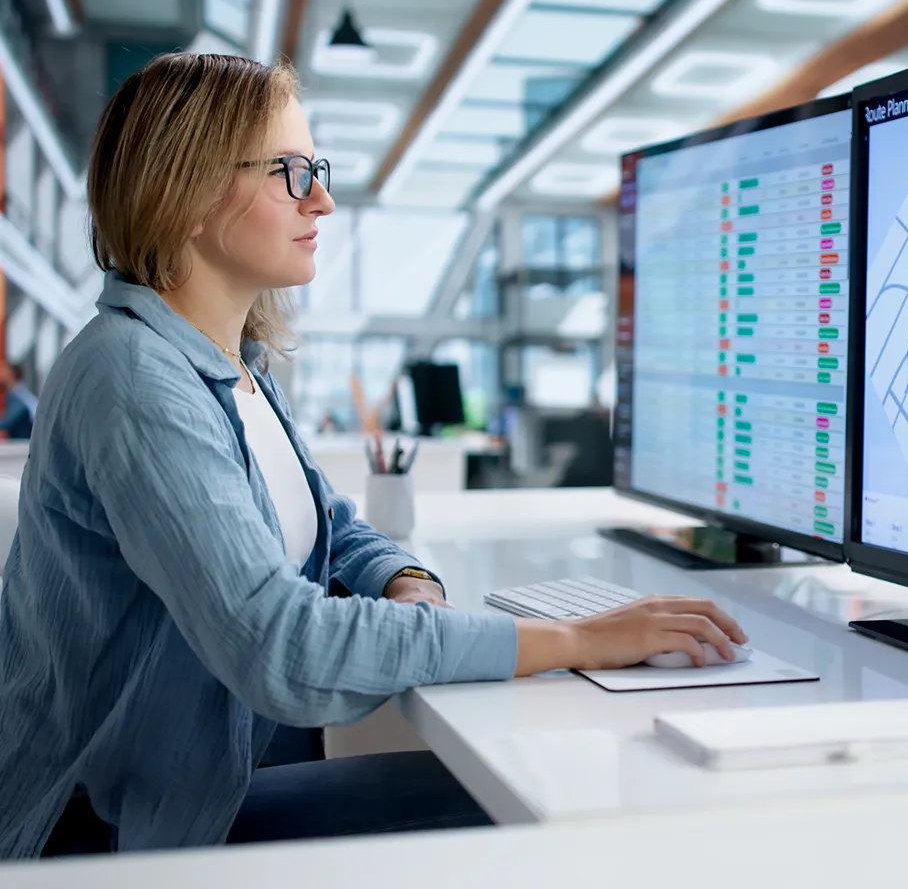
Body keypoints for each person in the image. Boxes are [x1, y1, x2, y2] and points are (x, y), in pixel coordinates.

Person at [0, 53, 747, 859]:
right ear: (186, 192)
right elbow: (282, 648)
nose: (321, 199)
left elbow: (335, 527)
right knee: (552, 811)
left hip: (208, 784)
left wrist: (406, 580)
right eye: (289, 172)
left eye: (314, 169)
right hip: (126, 832)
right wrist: (578, 642)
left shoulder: (234, 364)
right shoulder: (133, 376)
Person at [0, 362, 37, 440]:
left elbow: (6, 422)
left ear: (11, 374)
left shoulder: (20, 397)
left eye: (2, 371)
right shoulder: (17, 395)